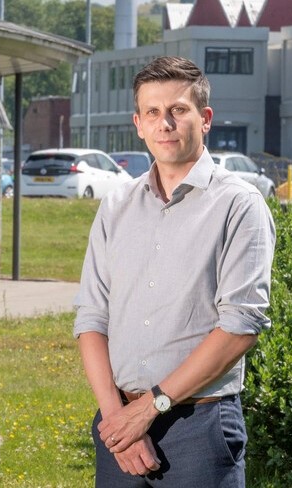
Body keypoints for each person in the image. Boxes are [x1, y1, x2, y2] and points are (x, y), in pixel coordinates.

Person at [72, 56, 275, 486]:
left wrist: (147, 410)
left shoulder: (239, 205)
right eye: (152, 112)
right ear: (138, 123)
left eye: (178, 110)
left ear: (205, 119)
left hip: (198, 429)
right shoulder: (115, 206)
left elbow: (241, 326)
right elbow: (91, 317)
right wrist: (119, 421)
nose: (164, 123)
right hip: (117, 424)